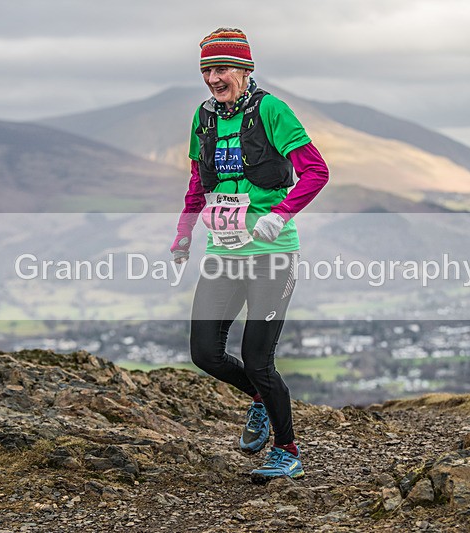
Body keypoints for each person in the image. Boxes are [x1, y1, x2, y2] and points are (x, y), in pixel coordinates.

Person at [170, 27, 329, 482]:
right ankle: (260, 399)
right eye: (206, 70)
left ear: (243, 69)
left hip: (272, 254)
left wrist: (279, 214)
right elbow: (198, 184)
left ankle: (288, 451)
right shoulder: (202, 117)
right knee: (205, 353)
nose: (213, 79)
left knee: (258, 359)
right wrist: (184, 231)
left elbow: (316, 172)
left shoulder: (272, 111)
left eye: (220, 69)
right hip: (224, 253)